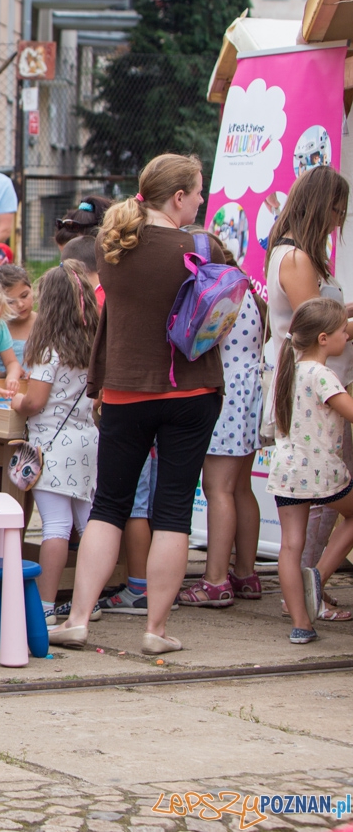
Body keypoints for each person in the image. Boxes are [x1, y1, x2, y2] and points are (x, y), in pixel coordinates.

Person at [50, 154, 222, 657]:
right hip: (191, 389)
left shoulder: (113, 244)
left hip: (125, 389)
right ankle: (156, 630)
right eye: (198, 191)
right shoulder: (202, 246)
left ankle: (78, 619)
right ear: (179, 197)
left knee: (109, 505)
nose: (202, 200)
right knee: (173, 510)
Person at [263, 166, 353, 600]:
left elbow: (321, 317)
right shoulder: (297, 258)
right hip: (313, 397)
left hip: (313, 389)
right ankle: (308, 588)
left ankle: (306, 593)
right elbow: (317, 326)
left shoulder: (296, 253)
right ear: (323, 207)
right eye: (338, 211)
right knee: (324, 493)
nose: (339, 221)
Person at [12, 262, 100, 622]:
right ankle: (86, 604)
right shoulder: (93, 344)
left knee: (56, 527)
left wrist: (18, 400)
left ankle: (45, 607)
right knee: (89, 525)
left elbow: (35, 401)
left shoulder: (49, 349)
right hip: (86, 441)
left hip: (52, 446)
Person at [182, 232, 265, 609]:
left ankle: (215, 580)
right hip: (247, 393)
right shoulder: (243, 287)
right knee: (240, 488)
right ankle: (245, 573)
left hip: (225, 395)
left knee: (218, 489)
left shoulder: (215, 289)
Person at [267, 298, 353, 644]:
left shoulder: (288, 371)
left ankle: (301, 624)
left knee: (290, 546)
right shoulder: (323, 375)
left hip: (286, 472)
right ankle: (319, 575)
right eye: (343, 332)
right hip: (320, 472)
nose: (347, 337)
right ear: (323, 338)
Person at [0, 264, 34, 367]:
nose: (20, 305)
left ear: (31, 288)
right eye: (10, 302)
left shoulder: (46, 323)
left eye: (24, 296)